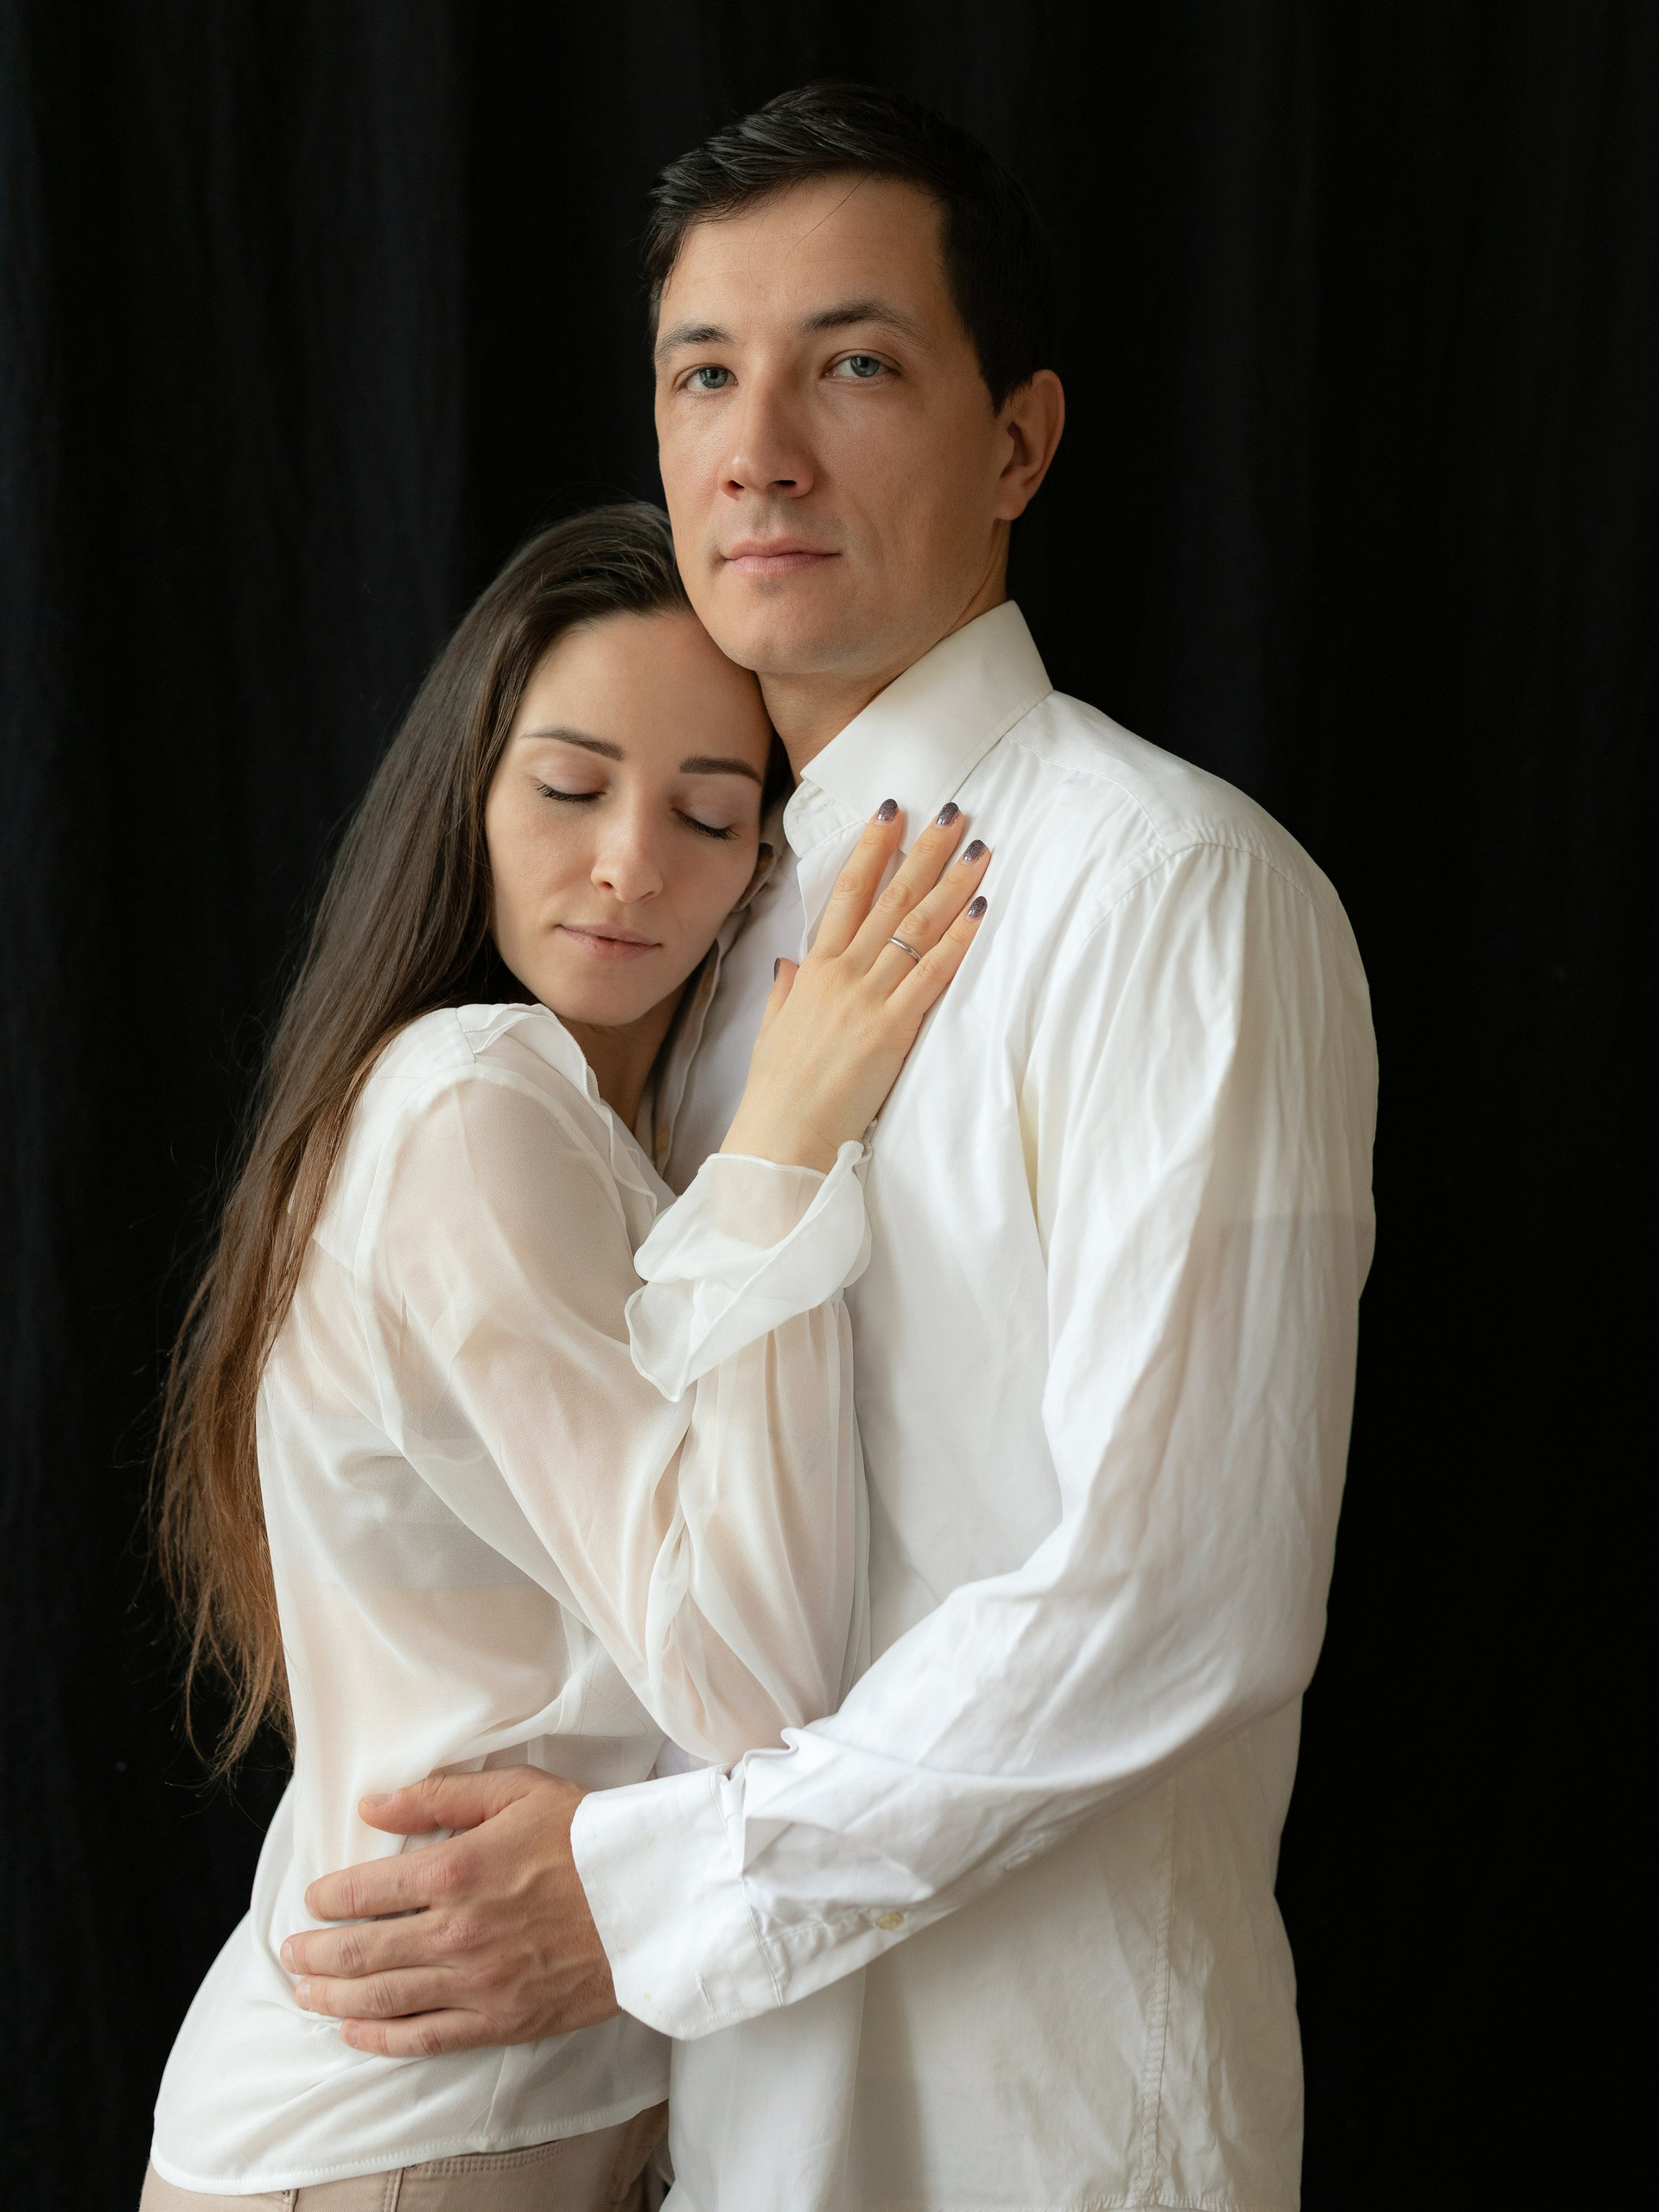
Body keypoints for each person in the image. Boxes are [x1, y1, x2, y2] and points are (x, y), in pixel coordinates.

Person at [279, 85, 1378, 2212]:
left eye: (854, 365)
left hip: (1043, 2137)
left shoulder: (1173, 892)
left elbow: (1176, 1596)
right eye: (706, 374)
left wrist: (643, 1892)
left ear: (1021, 443)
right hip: (711, 2132)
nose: (758, 449)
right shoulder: (682, 945)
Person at [142, 500, 990, 2209]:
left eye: (708, 814)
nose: (630, 866)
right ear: (468, 789)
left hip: (464, 2114)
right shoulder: (472, 1099)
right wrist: (786, 1143)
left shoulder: (550, 1124)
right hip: (408, 2138)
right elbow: (751, 1685)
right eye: (569, 787)